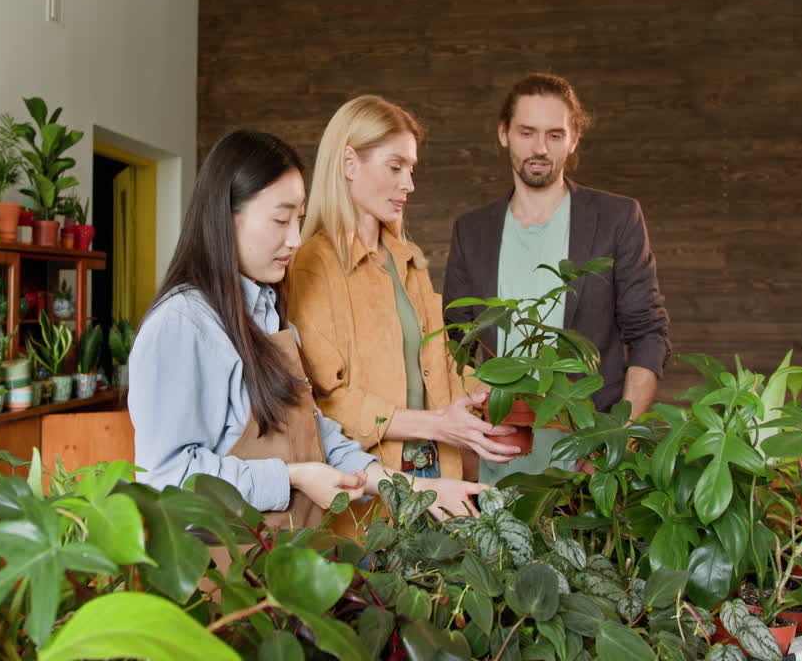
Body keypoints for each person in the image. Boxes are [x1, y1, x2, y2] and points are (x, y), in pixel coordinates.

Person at [130, 128, 488, 527]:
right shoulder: (183, 325)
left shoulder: (269, 313)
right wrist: (292, 476)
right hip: (218, 574)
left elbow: (319, 435)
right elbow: (166, 479)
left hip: (281, 564)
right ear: (224, 216)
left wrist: (420, 489)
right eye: (281, 220)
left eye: (298, 219)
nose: (295, 239)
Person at [286, 96, 522, 512]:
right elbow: (326, 405)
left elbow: (442, 368)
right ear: (348, 163)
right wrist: (441, 425)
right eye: (395, 167)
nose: (408, 184)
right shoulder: (311, 266)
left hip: (437, 473)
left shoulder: (407, 259)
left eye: (411, 169)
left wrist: (505, 396)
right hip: (370, 487)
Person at [443, 72, 670, 483]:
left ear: (574, 139)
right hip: (497, 457)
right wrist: (466, 447)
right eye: (527, 132)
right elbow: (451, 346)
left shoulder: (616, 219)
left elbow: (649, 335)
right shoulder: (472, 231)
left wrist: (616, 437)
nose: (540, 148)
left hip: (588, 457)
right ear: (503, 134)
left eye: (554, 134)